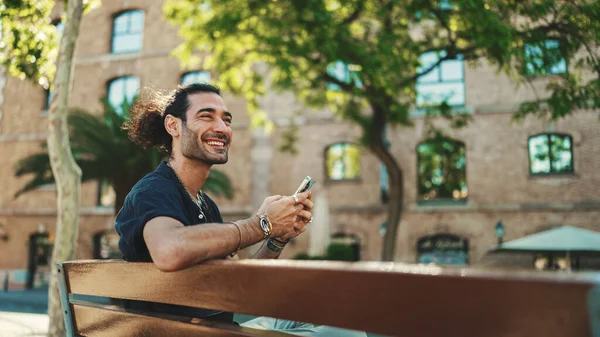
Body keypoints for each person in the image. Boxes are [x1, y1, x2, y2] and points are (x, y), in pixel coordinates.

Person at [115, 83, 366, 337]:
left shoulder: (205, 205)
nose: (222, 128)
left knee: (339, 317)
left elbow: (240, 287)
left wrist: (277, 238)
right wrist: (262, 223)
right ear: (173, 126)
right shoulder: (154, 191)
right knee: (346, 334)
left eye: (227, 120)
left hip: (222, 330)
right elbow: (169, 250)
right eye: (206, 116)